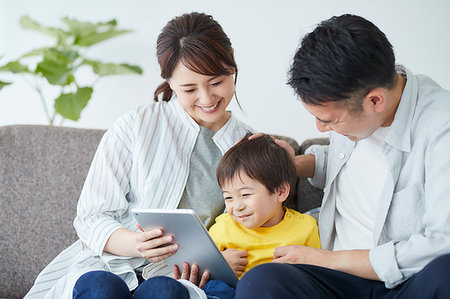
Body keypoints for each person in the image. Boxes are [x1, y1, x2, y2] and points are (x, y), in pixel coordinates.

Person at [24, 12, 253, 299]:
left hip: (180, 279)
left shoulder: (246, 144)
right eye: (189, 89)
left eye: (216, 82)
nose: (206, 99)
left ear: (232, 59)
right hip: (110, 266)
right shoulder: (137, 125)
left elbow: (255, 225)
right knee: (100, 288)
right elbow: (91, 217)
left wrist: (219, 262)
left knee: (164, 291)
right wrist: (137, 244)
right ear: (169, 82)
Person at [235, 14, 450, 298]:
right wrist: (289, 165)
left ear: (375, 101)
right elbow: (346, 163)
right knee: (261, 282)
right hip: (336, 281)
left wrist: (327, 259)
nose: (320, 128)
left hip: (403, 282)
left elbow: (441, 243)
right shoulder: (354, 97)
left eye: (329, 121)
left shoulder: (440, 128)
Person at [144, 133, 320, 298]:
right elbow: (200, 270)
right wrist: (220, 264)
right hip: (224, 292)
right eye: (228, 197)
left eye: (245, 195)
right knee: (212, 287)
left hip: (269, 292)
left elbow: (315, 276)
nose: (237, 207)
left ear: (280, 191)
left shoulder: (305, 227)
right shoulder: (223, 226)